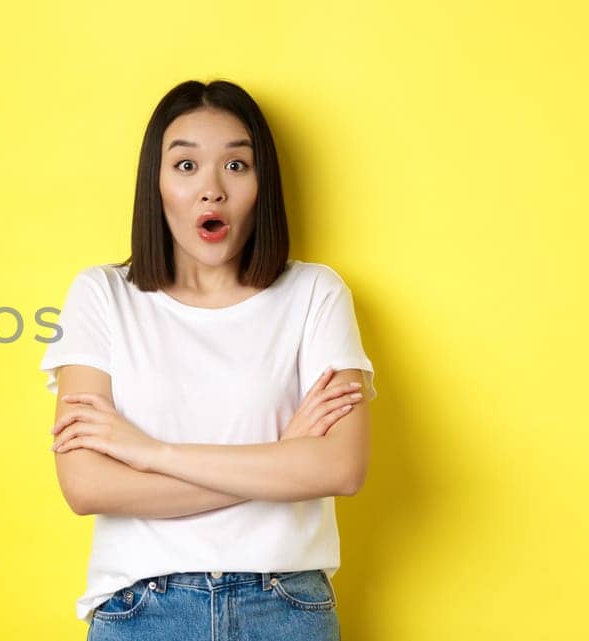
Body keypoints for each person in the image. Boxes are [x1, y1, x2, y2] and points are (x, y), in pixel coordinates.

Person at [39, 79, 376, 641]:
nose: (211, 190)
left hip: (285, 607)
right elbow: (87, 485)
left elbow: (341, 468)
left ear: (262, 184)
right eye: (186, 166)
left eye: (237, 166)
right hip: (142, 610)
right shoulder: (101, 295)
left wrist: (151, 454)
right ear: (157, 183)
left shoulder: (315, 293)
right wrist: (281, 461)